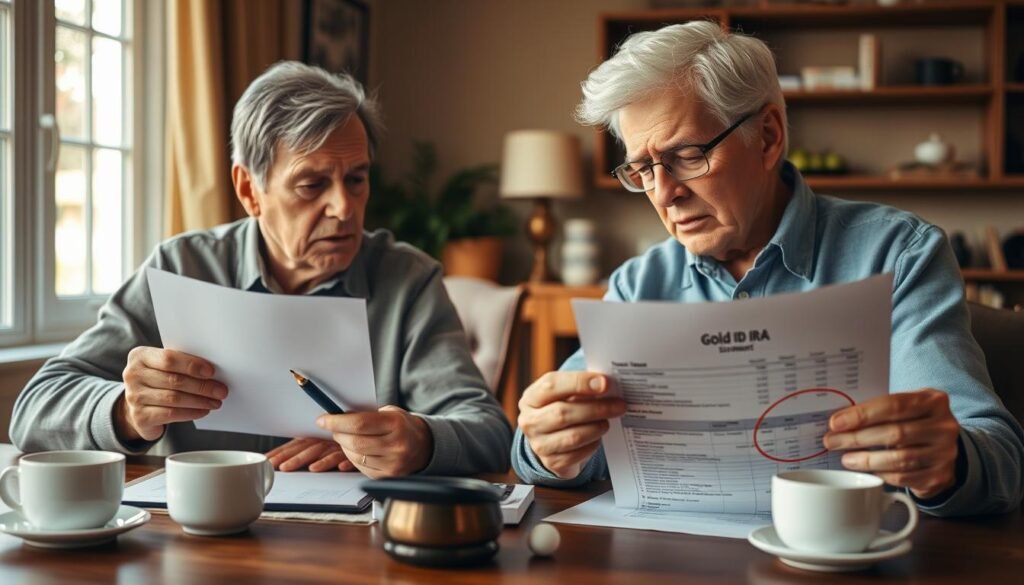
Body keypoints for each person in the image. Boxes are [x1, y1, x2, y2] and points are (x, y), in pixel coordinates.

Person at [511, 22, 1023, 516]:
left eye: (686, 155)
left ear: (768, 137)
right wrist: (547, 446)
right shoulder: (637, 285)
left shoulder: (897, 256)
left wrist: (949, 463)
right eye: (642, 169)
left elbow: (999, 456)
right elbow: (552, 451)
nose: (664, 194)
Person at [10, 61, 512, 479]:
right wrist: (126, 410)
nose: (344, 207)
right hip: (197, 539)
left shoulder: (409, 281)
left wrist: (417, 440)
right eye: (312, 185)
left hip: (352, 547)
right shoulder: (182, 268)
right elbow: (35, 408)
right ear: (249, 190)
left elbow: (489, 432)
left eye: (356, 179)